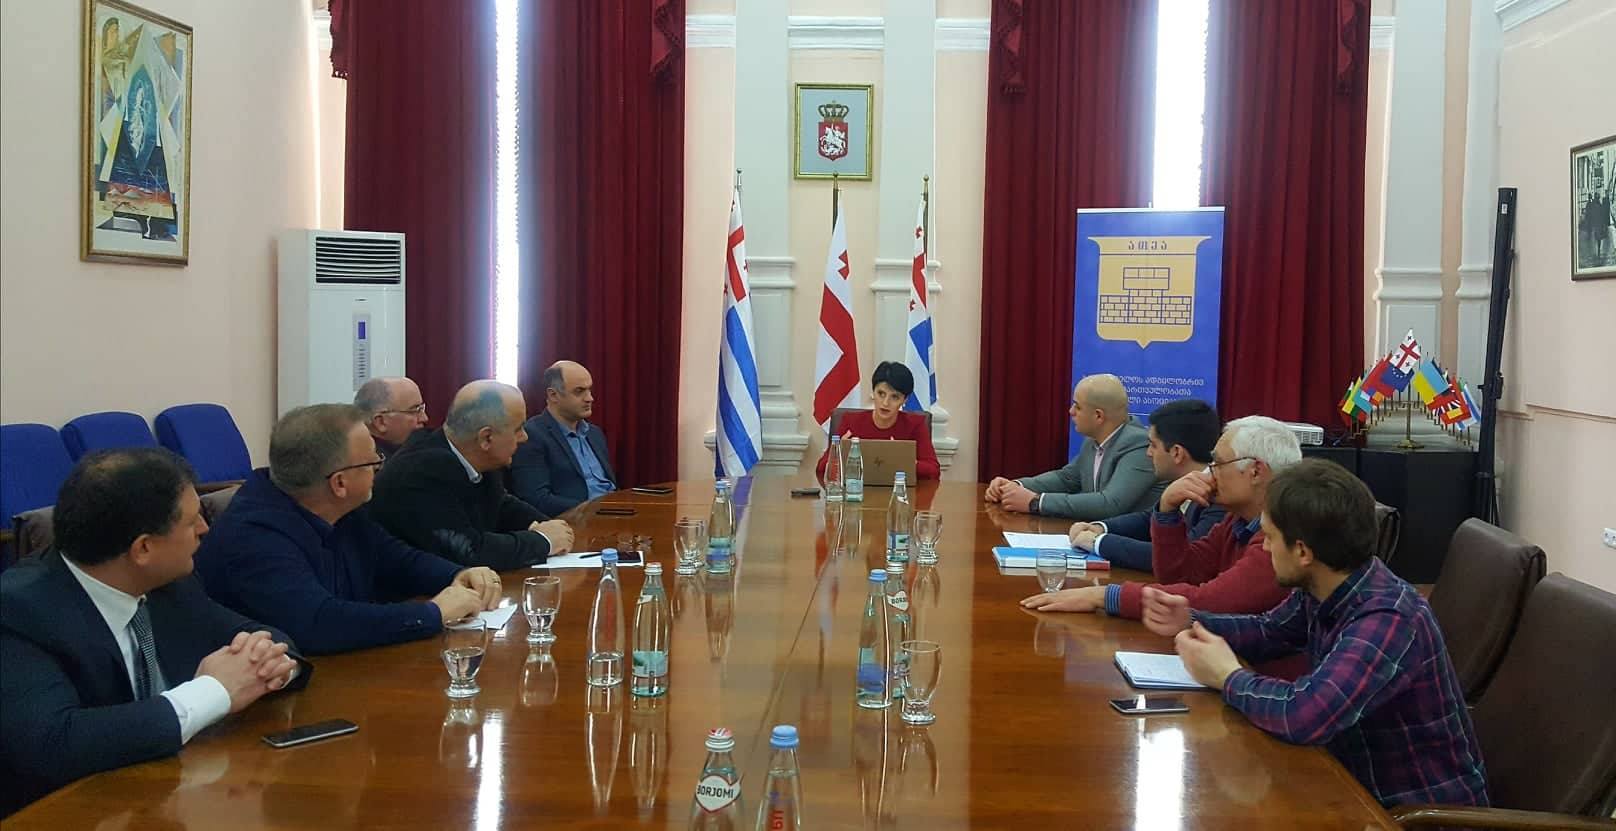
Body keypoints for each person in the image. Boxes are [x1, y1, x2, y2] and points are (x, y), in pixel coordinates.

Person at [1143, 459, 1488, 809]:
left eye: (1270, 537)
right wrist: (1191, 619)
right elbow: (1269, 632)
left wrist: (1228, 676)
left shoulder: (1388, 618)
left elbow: (1304, 714)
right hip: (1349, 789)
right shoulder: (1327, 584)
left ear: (1303, 552)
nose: (1265, 548)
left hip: (1412, 814)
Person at [0, 449, 309, 816]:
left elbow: (259, 634)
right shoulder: (19, 610)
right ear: (144, 548)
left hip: (168, 797)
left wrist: (271, 665)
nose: (204, 529)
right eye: (192, 521)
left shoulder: (169, 583)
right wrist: (213, 691)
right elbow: (54, 744)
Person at [195, 404, 505, 656]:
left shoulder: (340, 510)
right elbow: (319, 623)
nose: (379, 468)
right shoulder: (254, 538)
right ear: (340, 483)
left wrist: (456, 574)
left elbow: (397, 559)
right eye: (373, 461)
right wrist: (433, 614)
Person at [1021, 415, 1300, 619]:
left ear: (1255, 471)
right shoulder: (1237, 521)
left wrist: (1105, 596)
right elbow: (1180, 573)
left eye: (1218, 462)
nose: (1210, 471)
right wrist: (1166, 511)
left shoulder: (1284, 535)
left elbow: (1212, 600)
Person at [370, 380, 574, 570]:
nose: (524, 437)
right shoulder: (421, 472)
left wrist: (547, 525)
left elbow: (501, 504)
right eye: (518, 429)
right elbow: (469, 551)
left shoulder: (476, 456)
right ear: (486, 438)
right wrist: (544, 541)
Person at [1067, 399, 1226, 571]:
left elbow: (1179, 555)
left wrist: (1098, 542)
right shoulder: (1184, 481)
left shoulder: (1220, 497)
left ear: (1176, 453)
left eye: (1153, 445)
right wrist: (1100, 527)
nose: (1148, 453)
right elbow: (1148, 519)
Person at [984, 373, 1161, 520]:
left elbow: (1111, 504)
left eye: (1077, 406)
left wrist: (1036, 502)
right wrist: (1014, 486)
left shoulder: (1139, 445)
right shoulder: (1094, 440)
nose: (1071, 412)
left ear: (1098, 416)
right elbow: (1066, 479)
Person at [509, 361, 618, 515]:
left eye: (589, 390)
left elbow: (610, 485)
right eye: (579, 391)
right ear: (553, 395)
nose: (590, 398)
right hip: (576, 519)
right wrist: (594, 509)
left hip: (614, 512)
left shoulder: (594, 433)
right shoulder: (531, 436)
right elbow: (537, 499)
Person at [815, 361, 940, 481]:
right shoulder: (850, 422)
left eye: (894, 397)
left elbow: (933, 470)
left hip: (899, 492)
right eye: (881, 393)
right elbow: (821, 468)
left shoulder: (915, 425)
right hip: (857, 491)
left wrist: (904, 461)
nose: (885, 403)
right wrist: (839, 454)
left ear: (905, 399)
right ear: (873, 393)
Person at [354, 376, 429, 457]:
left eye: (422, 408)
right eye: (414, 411)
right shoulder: (366, 462)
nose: (425, 418)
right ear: (381, 422)